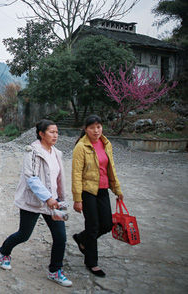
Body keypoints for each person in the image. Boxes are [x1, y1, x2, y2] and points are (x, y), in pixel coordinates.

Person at [0, 120, 72, 287]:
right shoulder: (32, 152)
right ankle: (3, 252)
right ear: (41, 134)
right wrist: (47, 198)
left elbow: (59, 180)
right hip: (34, 201)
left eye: (57, 132)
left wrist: (59, 199)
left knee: (60, 237)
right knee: (24, 234)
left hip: (53, 202)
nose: (55, 135)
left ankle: (55, 271)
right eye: (51, 132)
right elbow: (31, 178)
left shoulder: (56, 153)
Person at [72, 114, 123, 278]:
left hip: (103, 190)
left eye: (99, 127)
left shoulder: (106, 143)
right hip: (88, 191)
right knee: (93, 227)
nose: (96, 130)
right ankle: (92, 263)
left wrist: (117, 190)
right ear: (86, 129)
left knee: (107, 224)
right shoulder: (81, 147)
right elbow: (76, 174)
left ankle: (81, 238)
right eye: (92, 127)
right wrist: (77, 199)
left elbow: (111, 168)